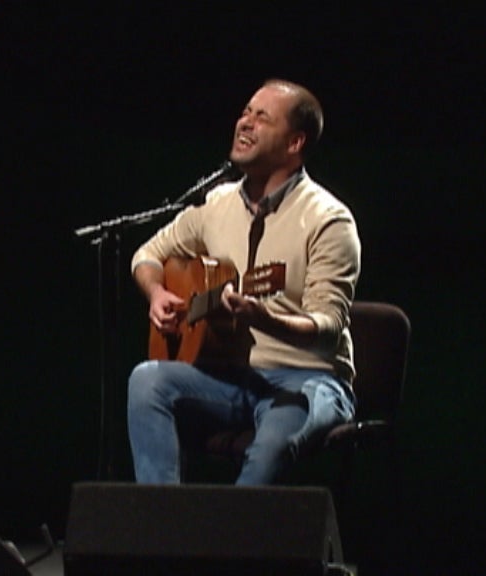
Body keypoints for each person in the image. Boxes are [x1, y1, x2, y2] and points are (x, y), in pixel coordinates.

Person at [127, 79, 360, 485]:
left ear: (294, 143)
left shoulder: (328, 220)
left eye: (262, 117)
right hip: (234, 377)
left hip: (309, 379)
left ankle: (235, 543)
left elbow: (327, 328)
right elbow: (146, 255)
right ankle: (161, 529)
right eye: (245, 112)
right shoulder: (217, 204)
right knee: (147, 379)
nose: (245, 123)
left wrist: (263, 319)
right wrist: (157, 292)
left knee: (270, 446)